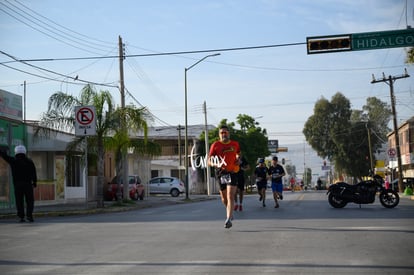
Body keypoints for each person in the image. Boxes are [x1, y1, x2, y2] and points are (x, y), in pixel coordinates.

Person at [208, 125, 240, 229]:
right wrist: (214, 164)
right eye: (222, 133)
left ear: (228, 133)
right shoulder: (215, 145)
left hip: (233, 171)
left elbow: (239, 154)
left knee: (230, 195)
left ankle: (228, 218)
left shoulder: (235, 144)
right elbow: (209, 160)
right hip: (221, 173)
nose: (224, 134)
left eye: (225, 132)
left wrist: (238, 159)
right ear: (219, 135)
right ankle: (229, 211)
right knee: (224, 198)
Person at [0, 145, 37, 222]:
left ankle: (21, 217)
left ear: (16, 152)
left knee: (19, 201)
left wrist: (2, 151)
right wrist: (34, 182)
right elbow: (34, 173)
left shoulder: (13, 160)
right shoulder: (29, 161)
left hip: (18, 185)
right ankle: (29, 216)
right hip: (28, 184)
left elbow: (5, 156)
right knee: (30, 200)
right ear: (24, 151)